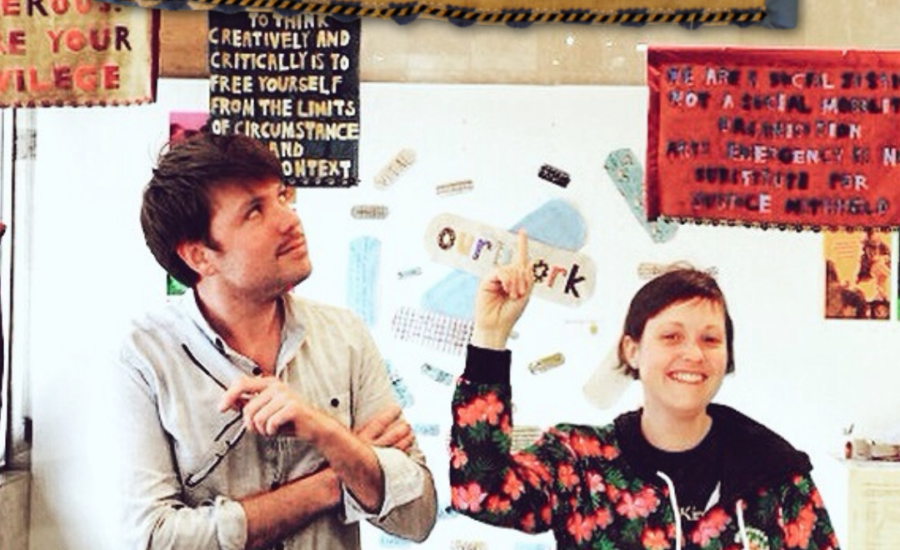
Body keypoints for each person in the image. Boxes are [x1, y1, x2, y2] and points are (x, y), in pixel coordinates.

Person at [119, 130, 436, 550]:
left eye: (283, 196)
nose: (290, 219)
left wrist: (325, 433)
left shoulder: (345, 336)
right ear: (199, 255)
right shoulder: (145, 356)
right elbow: (154, 540)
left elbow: (417, 517)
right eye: (254, 211)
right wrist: (332, 478)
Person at [450, 233, 839, 550]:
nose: (693, 354)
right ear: (631, 350)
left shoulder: (776, 472)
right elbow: (480, 493)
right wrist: (490, 337)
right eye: (672, 336)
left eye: (711, 339)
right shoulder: (580, 463)